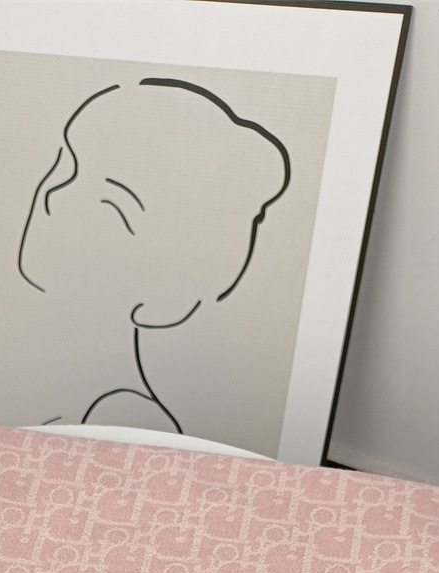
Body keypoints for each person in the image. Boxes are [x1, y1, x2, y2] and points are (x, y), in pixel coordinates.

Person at [16, 77, 290, 432]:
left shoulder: (118, 413)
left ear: (168, 298)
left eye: (113, 204)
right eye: (68, 164)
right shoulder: (29, 377)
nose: (56, 194)